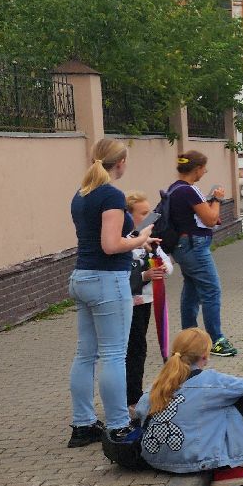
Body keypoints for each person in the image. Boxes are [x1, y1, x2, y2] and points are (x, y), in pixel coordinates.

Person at [67, 139, 157, 447]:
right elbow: (111, 245)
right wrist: (139, 238)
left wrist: (131, 238)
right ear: (120, 163)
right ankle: (119, 427)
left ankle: (83, 424)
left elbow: (98, 240)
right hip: (108, 281)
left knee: (85, 354)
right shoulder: (112, 195)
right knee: (115, 355)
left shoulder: (81, 195)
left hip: (82, 276)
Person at [135, 328, 243, 486]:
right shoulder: (211, 381)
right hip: (194, 458)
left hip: (155, 458)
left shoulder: (158, 383)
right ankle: (229, 469)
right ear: (205, 356)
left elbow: (140, 412)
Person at [167, 151, 238, 357]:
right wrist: (216, 199)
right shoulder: (189, 191)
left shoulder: (174, 189)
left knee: (191, 291)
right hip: (194, 246)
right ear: (197, 169)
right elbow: (209, 219)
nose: (205, 172)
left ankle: (188, 338)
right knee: (211, 291)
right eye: (204, 168)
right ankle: (215, 340)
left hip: (183, 246)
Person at [124, 192, 174, 413]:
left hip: (145, 301)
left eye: (149, 213)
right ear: (128, 216)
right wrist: (145, 276)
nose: (149, 218)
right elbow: (120, 275)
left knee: (139, 348)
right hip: (128, 303)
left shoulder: (147, 239)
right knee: (132, 350)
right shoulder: (124, 240)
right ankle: (130, 397)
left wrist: (160, 265)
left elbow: (169, 267)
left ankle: (134, 394)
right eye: (143, 214)